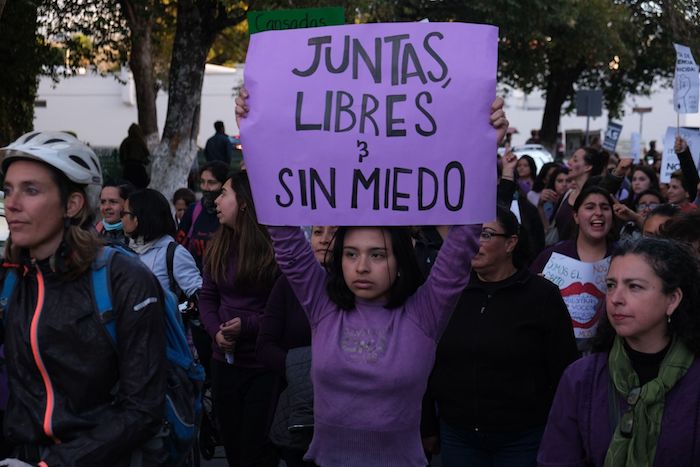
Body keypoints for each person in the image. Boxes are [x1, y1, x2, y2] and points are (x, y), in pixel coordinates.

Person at [235, 88, 509, 466]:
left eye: (377, 255)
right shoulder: (323, 304)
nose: (361, 266)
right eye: (351, 254)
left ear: (400, 260)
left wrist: (483, 150)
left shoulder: (425, 312)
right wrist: (256, 137)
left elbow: (462, 241)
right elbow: (284, 236)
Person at [0, 131, 166, 466]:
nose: (11, 203)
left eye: (30, 190)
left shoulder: (123, 278)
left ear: (72, 204)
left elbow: (143, 409)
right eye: (8, 189)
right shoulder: (12, 279)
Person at [428, 207, 578, 467]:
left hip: (522, 438)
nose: (475, 242)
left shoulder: (541, 296)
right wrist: (428, 423)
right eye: (470, 234)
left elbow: (563, 367)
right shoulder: (450, 292)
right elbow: (428, 362)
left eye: (485, 234)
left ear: (510, 243)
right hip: (458, 434)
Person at [538, 238, 700, 466]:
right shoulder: (581, 378)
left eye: (634, 286)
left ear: (673, 299)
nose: (615, 299)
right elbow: (556, 458)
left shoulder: (694, 380)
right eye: (611, 285)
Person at [199, 171, 281, 467]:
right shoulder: (217, 244)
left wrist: (246, 326)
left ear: (244, 202)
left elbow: (282, 311)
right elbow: (207, 297)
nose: (216, 200)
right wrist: (215, 333)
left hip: (263, 367)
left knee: (257, 452)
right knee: (234, 448)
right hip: (224, 363)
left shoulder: (275, 248)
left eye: (223, 193)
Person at [257, 225, 337, 467]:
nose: (324, 240)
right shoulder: (287, 284)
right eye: (317, 232)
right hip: (299, 412)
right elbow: (265, 346)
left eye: (333, 233)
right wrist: (304, 373)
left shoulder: (359, 287)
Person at [531, 186, 617, 353]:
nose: (598, 212)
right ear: (576, 216)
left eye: (605, 207)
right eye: (590, 207)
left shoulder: (625, 258)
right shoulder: (551, 257)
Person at [121, 188, 201, 303]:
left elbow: (198, 293)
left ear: (138, 218)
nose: (121, 218)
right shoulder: (125, 249)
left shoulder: (173, 253)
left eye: (124, 213)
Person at [176, 161, 228, 271]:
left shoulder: (232, 215)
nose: (205, 187)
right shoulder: (194, 210)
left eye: (211, 183)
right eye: (202, 182)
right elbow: (179, 247)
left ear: (224, 186)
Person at [95, 182, 135, 247]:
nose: (106, 207)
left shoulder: (138, 236)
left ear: (128, 204)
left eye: (113, 202)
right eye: (103, 202)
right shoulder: (94, 232)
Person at [119, 123, 150, 188]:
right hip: (139, 169)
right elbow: (146, 155)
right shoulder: (140, 142)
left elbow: (121, 156)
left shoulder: (125, 142)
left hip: (127, 169)